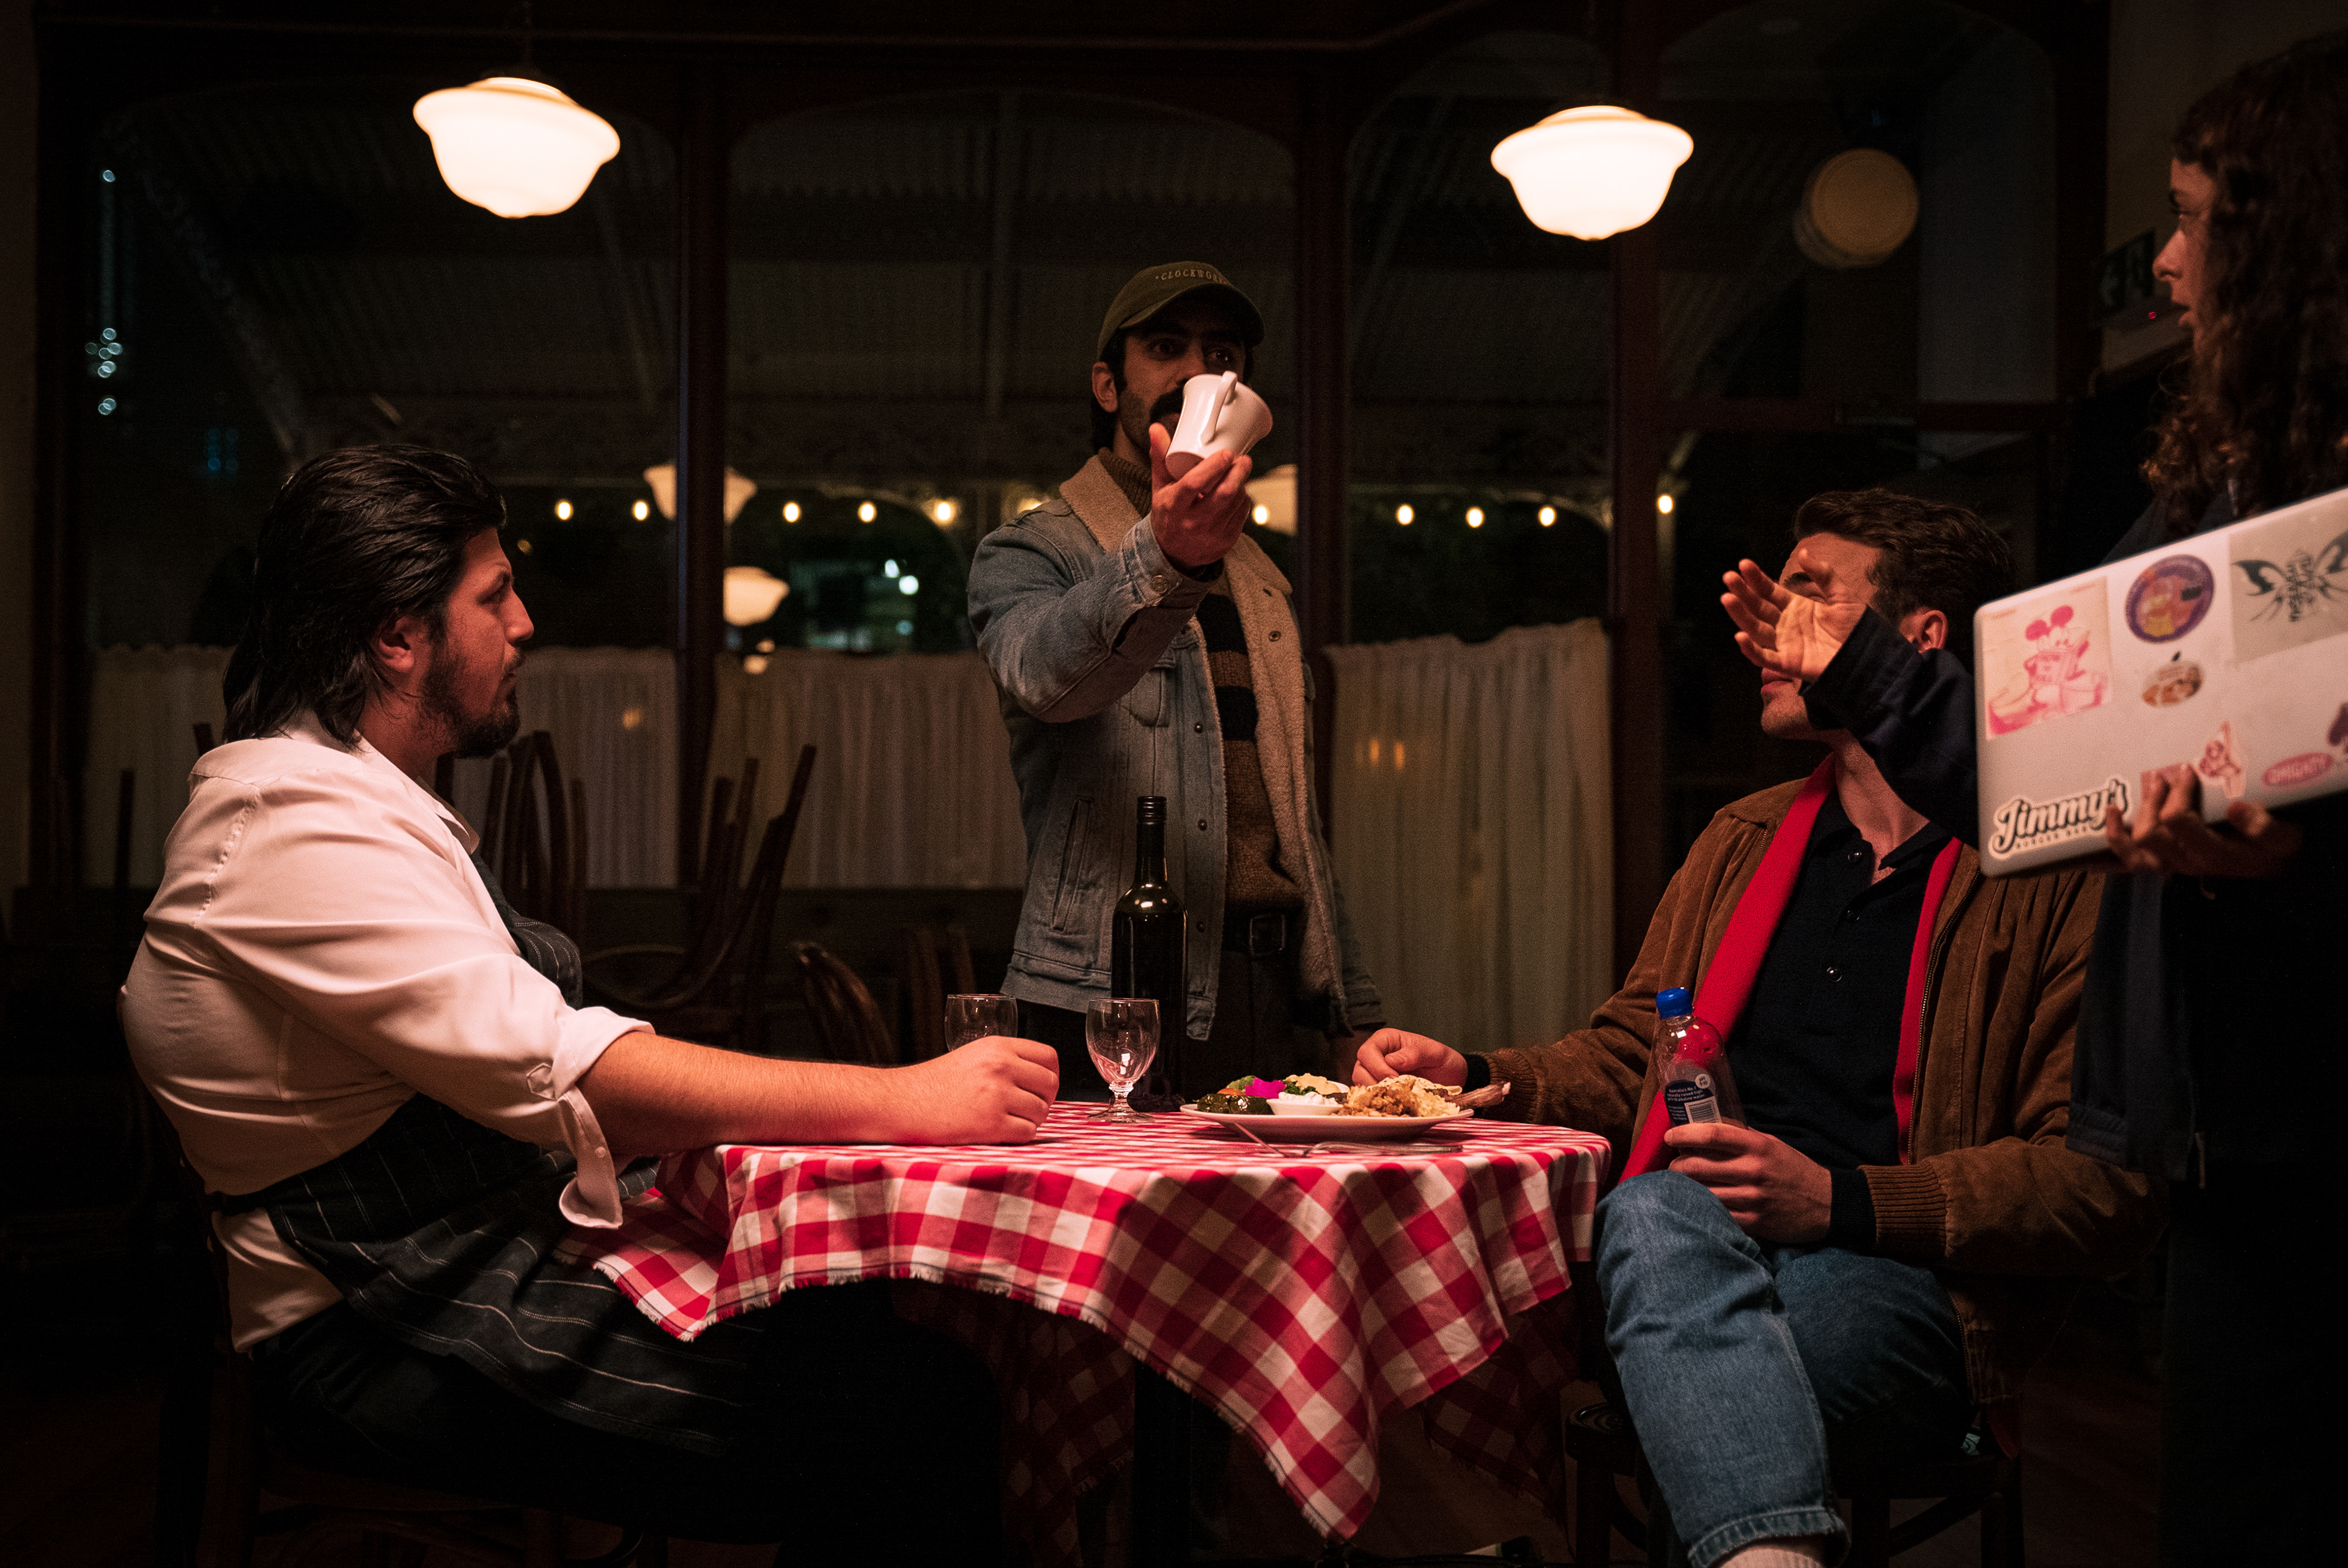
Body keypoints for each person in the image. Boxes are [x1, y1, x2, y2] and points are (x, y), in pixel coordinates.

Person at [122, 446, 1060, 1558]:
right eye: (494, 596)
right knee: (908, 1414)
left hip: (459, 1262)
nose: (525, 623)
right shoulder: (291, 833)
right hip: (375, 1323)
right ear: (396, 635)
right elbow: (575, 1072)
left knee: (856, 1312)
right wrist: (910, 1097)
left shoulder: (350, 803)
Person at [1718, 34, 2346, 1565]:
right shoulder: (2218, 497)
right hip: (2233, 1137)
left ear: (2295, 244)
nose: (2169, 268)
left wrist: (2293, 872)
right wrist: (1860, 670)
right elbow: (2055, 773)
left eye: (2194, 221)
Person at [1358, 492, 2163, 1568]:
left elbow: (2095, 1183)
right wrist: (1469, 1069)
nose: (1771, 630)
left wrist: (1837, 1198)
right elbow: (1630, 1055)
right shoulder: (1740, 839)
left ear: (1918, 638)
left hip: (1897, 1278)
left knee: (1718, 1331)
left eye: (1811, 597)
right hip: (1690, 1248)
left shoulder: (2048, 863)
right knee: (1660, 1215)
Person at [967, 260, 1381, 1098]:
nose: (1199, 377)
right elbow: (1046, 678)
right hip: (1105, 993)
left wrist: (1350, 1010)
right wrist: (1165, 558)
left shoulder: (1260, 577)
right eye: (1165, 348)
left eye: (1221, 356)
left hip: (1268, 994)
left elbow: (1294, 817)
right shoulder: (1031, 549)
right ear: (1107, 384)